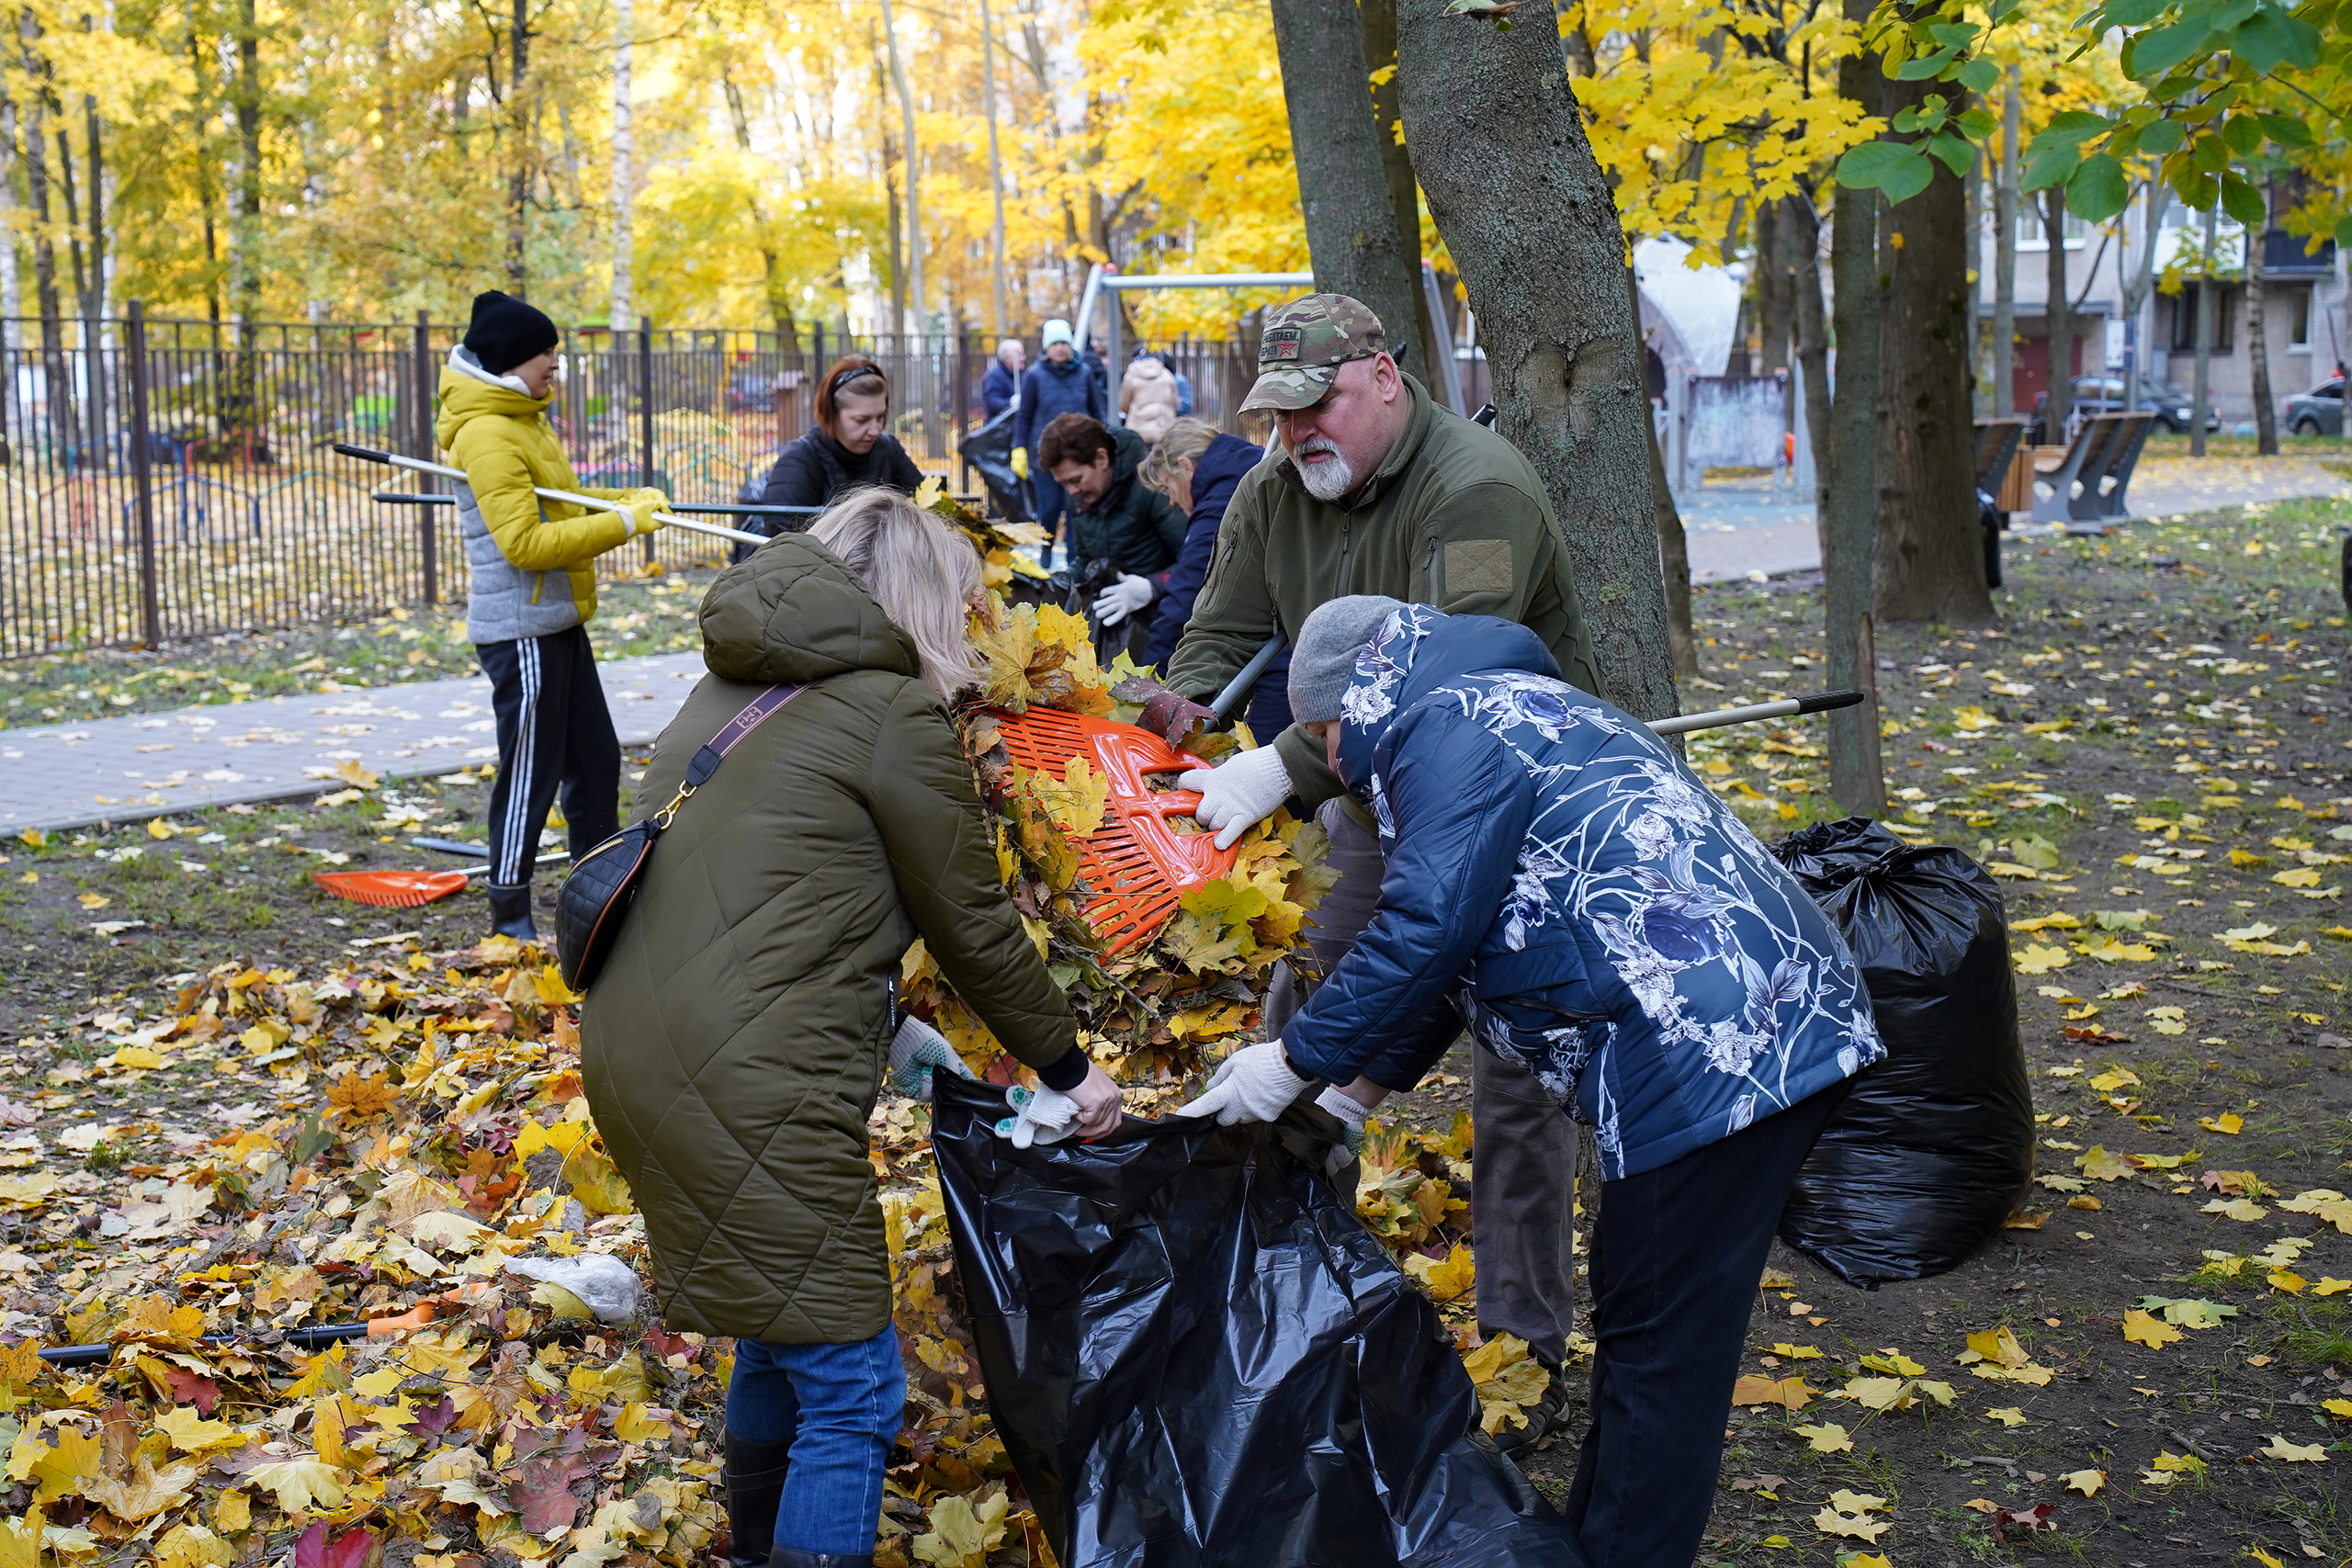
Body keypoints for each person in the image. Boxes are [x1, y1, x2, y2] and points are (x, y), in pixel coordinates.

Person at [1179, 596, 1880, 1568]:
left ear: (1357, 702)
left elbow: (1423, 926)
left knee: (1658, 1347)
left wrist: (1289, 1061)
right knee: (1651, 1330)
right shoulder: (1491, 701)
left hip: (1709, 1044)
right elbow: (1454, 954)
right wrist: (1344, 1101)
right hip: (1754, 1017)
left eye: (1325, 735)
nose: (1330, 762)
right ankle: (1596, 1545)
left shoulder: (1443, 727)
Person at [580, 491, 1125, 1568]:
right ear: (918, 599)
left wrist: (887, 1028)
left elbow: (763, 903)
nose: (972, 633)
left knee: (783, 1332)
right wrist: (1068, 1069)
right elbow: (971, 922)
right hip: (752, 1078)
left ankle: (753, 1546)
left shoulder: (721, 691)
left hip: (637, 1054)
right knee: (854, 1385)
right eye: (962, 609)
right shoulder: (888, 711)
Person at [1135, 292, 1609, 1453]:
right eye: (1282, 417)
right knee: (1311, 1023)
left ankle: (1523, 1350)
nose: (1302, 436)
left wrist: (1276, 772)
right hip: (1366, 796)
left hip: (1521, 808)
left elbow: (1439, 685)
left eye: (1321, 407)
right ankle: (1291, 1308)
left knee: (1515, 1079)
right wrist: (1185, 715)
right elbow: (1217, 621)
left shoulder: (1477, 489)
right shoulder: (1277, 484)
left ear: (1385, 378)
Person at [436, 289, 665, 942]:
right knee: (530, 771)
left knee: (595, 760)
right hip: (521, 631)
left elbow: (560, 501)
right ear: (513, 361)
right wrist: (622, 524)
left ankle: (596, 895)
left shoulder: (523, 418)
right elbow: (526, 544)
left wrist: (622, 498)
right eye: (547, 356)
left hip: (557, 621)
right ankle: (509, 913)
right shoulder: (486, 431)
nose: (555, 368)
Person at [1135, 417, 1289, 735]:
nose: (1173, 501)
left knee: (1263, 750)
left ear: (1185, 467)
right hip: (1281, 634)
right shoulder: (1245, 466)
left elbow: (1188, 591)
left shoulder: (1222, 498)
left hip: (1283, 646)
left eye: (1168, 488)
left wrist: (1146, 685)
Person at [732, 355, 926, 561]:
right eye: (861, 420)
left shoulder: (889, 450)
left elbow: (926, 506)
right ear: (831, 414)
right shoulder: (800, 459)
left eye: (880, 417)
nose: (875, 430)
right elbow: (782, 544)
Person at [1037, 412, 1186, 648]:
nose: (1072, 491)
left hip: (1167, 621)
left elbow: (1199, 559)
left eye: (1076, 479)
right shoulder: (1080, 498)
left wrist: (1152, 587)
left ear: (1101, 459)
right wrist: (1058, 583)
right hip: (1113, 620)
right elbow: (1086, 559)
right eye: (1064, 484)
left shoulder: (1151, 485)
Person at [1013, 319, 1105, 545]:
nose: (1060, 348)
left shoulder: (1084, 373)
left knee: (1075, 505)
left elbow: (1097, 412)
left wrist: (1105, 440)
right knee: (1050, 505)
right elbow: (1024, 416)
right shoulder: (1034, 376)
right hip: (1045, 455)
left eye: (1064, 342)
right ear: (1047, 347)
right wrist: (1019, 448)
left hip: (1079, 453)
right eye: (1055, 343)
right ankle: (1046, 549)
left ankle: (1075, 556)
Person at [1118, 352, 1182, 444]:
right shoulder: (1166, 374)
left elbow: (1124, 406)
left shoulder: (1130, 376)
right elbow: (1175, 403)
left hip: (1138, 431)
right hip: (1164, 429)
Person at [982, 338, 1025, 418]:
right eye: (1019, 355)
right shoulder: (994, 376)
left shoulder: (1019, 374)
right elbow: (992, 401)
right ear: (1008, 358)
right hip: (1000, 427)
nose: (1023, 358)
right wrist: (1010, 403)